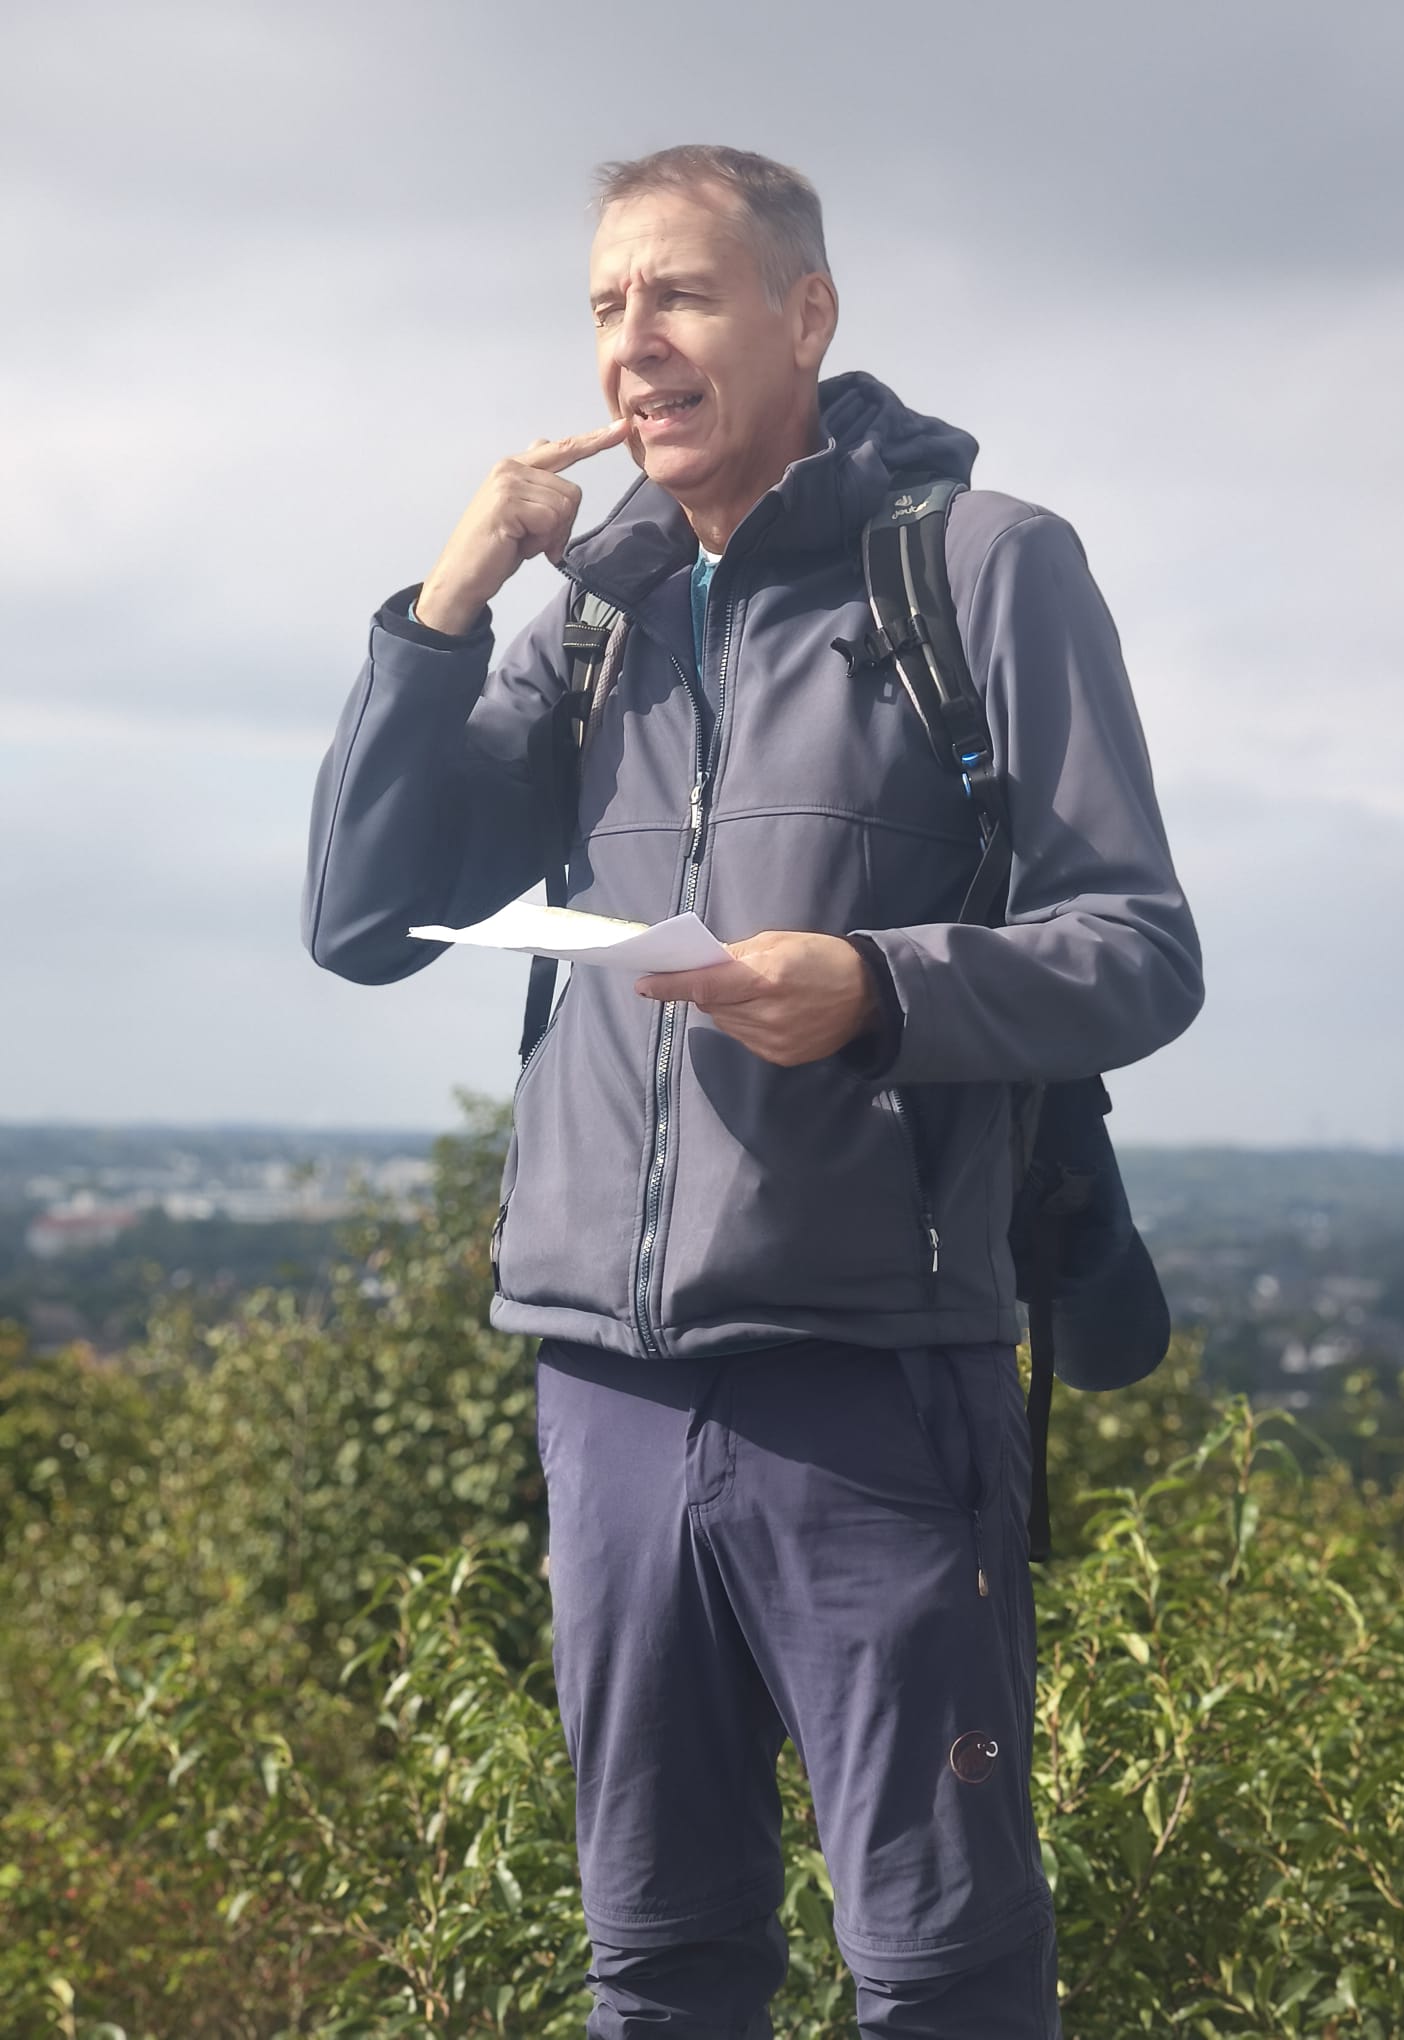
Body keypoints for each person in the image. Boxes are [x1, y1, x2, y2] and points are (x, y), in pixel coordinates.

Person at [303, 143, 1202, 2040]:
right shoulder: (594, 617)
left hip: (872, 1386)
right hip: (603, 1394)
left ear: (806, 315)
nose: (634, 341)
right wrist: (446, 605)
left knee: (939, 1975)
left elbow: (1136, 949)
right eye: (606, 305)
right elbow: (364, 921)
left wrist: (876, 987)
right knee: (658, 1969)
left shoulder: (979, 566)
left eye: (682, 294)